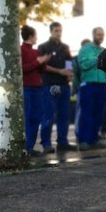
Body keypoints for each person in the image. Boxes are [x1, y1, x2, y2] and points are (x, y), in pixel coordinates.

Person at [38, 22, 74, 152]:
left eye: (60, 30)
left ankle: (62, 142)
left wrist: (69, 73)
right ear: (51, 31)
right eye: (56, 31)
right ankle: (46, 143)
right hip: (50, 84)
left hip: (64, 84)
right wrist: (59, 71)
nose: (59, 33)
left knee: (64, 115)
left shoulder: (65, 47)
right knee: (48, 115)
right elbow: (42, 66)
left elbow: (69, 62)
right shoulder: (43, 47)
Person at [76, 27, 106, 150]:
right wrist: (96, 59)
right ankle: (84, 140)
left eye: (102, 35)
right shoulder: (85, 49)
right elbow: (83, 65)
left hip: (102, 84)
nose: (101, 37)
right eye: (99, 34)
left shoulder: (104, 50)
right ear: (93, 35)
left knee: (98, 113)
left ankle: (94, 139)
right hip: (88, 85)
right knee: (87, 113)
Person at [21, 25, 51, 156]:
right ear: (31, 36)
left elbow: (41, 70)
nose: (36, 38)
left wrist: (44, 61)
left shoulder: (36, 52)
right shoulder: (21, 49)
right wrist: (38, 62)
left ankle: (30, 147)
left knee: (36, 117)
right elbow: (22, 68)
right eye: (35, 35)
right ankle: (26, 147)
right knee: (27, 117)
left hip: (38, 88)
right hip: (26, 87)